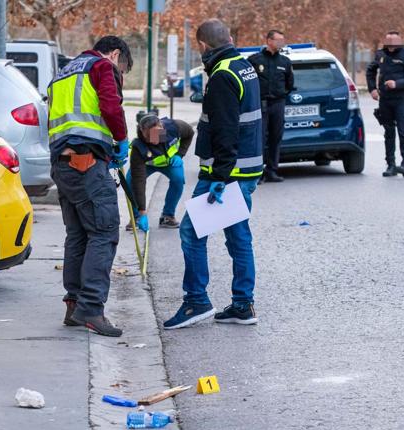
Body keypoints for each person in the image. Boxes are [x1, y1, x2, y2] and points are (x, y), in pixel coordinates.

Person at [163, 18, 263, 329]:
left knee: (191, 233)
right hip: (245, 169)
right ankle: (243, 304)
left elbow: (225, 131)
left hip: (225, 174)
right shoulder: (244, 66)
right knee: (238, 237)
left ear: (204, 46)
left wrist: (219, 177)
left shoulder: (222, 76)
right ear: (229, 38)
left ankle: (196, 302)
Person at [48, 36, 133, 337]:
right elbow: (111, 107)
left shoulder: (63, 72)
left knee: (78, 235)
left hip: (62, 163)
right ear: (114, 54)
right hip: (86, 164)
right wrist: (121, 140)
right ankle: (92, 309)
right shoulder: (101, 67)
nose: (119, 74)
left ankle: (74, 306)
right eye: (122, 68)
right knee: (104, 232)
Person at [126, 114, 195, 232]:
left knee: (178, 179)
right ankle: (136, 217)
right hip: (147, 166)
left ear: (161, 126)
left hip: (169, 163)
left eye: (156, 134)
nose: (153, 140)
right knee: (131, 181)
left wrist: (180, 154)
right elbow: (139, 182)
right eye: (148, 136)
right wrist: (142, 212)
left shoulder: (174, 127)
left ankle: (167, 216)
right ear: (142, 131)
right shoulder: (138, 147)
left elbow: (189, 133)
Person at [366, 30, 404, 178]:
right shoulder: (380, 55)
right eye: (388, 41)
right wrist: (372, 89)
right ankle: (390, 165)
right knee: (388, 133)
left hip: (401, 99)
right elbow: (370, 71)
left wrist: (397, 84)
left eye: (393, 41)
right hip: (384, 100)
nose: (390, 45)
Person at [248, 29, 294, 182]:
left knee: (275, 138)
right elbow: (249, 83)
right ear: (269, 41)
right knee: (259, 139)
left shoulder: (285, 62)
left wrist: (280, 96)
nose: (281, 43)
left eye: (282, 40)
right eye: (278, 40)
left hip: (277, 104)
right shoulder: (255, 60)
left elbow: (289, 84)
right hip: (260, 105)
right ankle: (257, 173)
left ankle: (272, 170)